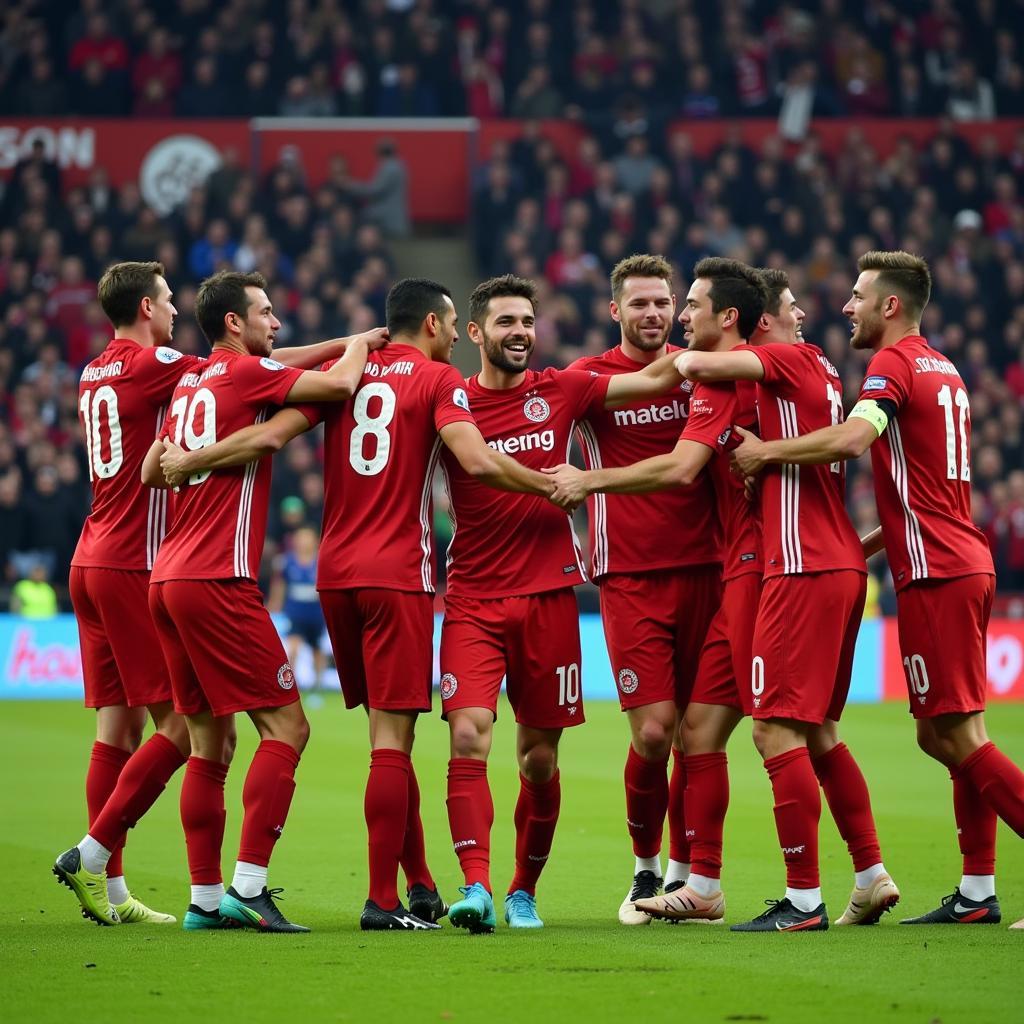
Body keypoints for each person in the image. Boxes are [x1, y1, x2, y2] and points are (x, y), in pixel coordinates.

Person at [157, 277, 554, 931]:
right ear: (430, 324)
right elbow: (475, 461)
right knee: (392, 744)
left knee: (382, 735)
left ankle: (419, 880)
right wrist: (555, 485)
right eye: (453, 325)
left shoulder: (349, 374)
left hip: (335, 575)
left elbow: (267, 438)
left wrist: (190, 459)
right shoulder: (437, 380)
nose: (457, 337)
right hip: (398, 573)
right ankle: (381, 901)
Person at [52, 261, 383, 928]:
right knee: (287, 726)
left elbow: (152, 466)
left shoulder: (173, 382)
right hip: (206, 578)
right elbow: (338, 384)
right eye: (266, 313)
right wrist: (358, 345)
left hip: (159, 575)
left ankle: (200, 900)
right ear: (234, 321)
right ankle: (235, 884)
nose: (277, 322)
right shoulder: (194, 369)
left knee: (206, 740)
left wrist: (189, 459)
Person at [731, 250, 1024, 928]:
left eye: (859, 296)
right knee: (951, 732)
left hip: (937, 572)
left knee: (953, 737)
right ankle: (978, 892)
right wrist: (856, 545)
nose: (846, 307)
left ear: (889, 305)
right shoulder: (942, 366)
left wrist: (766, 451)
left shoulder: (890, 366)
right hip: (960, 557)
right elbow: (919, 492)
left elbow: (854, 439)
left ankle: (974, 888)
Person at [610, 261, 895, 932]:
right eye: (793, 304)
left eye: (691, 306)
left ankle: (796, 898)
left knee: (771, 730)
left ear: (737, 317)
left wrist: (585, 475)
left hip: (770, 572)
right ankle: (862, 873)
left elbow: (682, 461)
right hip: (812, 562)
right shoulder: (817, 366)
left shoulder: (736, 372)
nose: (681, 317)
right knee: (731, 729)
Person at [440, 274, 690, 932]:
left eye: (527, 320)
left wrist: (725, 346)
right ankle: (477, 887)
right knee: (468, 735)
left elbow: (660, 380)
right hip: (471, 596)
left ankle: (524, 889)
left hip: (550, 595)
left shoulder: (565, 388)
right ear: (475, 333)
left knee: (539, 759)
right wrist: (555, 488)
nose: (520, 332)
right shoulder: (452, 400)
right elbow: (478, 465)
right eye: (505, 323)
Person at [560, 254, 724, 924]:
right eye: (640, 304)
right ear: (614, 311)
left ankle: (685, 879)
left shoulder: (703, 370)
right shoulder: (587, 379)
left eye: (664, 303)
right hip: (627, 575)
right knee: (654, 733)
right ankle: (645, 869)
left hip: (710, 572)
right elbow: (535, 441)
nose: (654, 314)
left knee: (696, 735)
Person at [269, 525, 328, 705]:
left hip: (316, 612)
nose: (304, 542)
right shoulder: (287, 561)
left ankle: (318, 686)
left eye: (307, 538)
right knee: (293, 647)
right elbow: (280, 585)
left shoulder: (322, 560)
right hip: (295, 611)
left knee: (318, 650)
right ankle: (290, 686)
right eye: (301, 538)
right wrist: (274, 604)